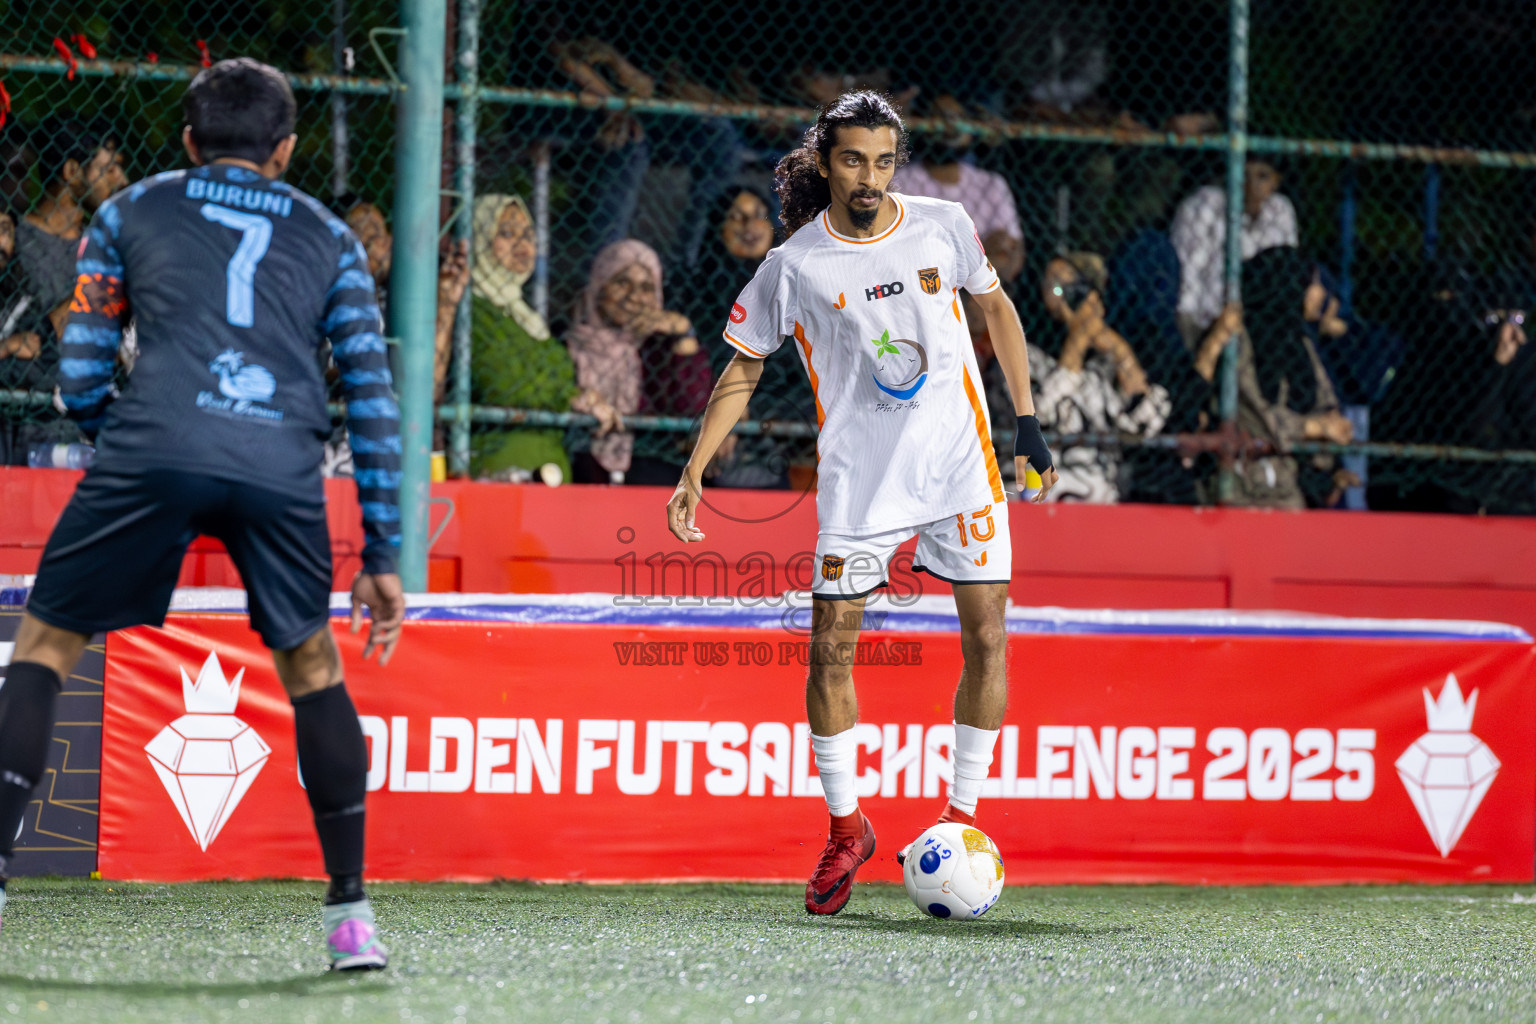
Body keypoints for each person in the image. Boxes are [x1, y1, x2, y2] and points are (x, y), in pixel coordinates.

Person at [0, 59, 402, 971]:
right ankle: (350, 920)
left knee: (48, 646)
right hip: (279, 460)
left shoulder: (127, 209)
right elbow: (372, 400)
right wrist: (383, 548)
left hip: (153, 444)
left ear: (187, 140)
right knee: (310, 663)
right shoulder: (332, 238)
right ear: (288, 150)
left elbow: (79, 375)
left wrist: (134, 436)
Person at [664, 92, 1058, 916]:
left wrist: (1028, 423)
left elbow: (997, 310)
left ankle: (960, 820)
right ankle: (848, 828)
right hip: (860, 482)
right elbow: (742, 366)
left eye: (883, 161)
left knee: (988, 636)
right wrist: (695, 467)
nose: (870, 177)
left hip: (960, 468)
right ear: (826, 162)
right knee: (829, 651)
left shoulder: (944, 225)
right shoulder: (795, 264)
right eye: (853, 161)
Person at [467, 192, 620, 480]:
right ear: (479, 237)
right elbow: (502, 384)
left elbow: (549, 382)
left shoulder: (527, 317)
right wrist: (568, 397)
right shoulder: (471, 311)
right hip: (497, 471)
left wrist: (578, 396)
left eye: (528, 235)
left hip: (553, 471)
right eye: (507, 233)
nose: (522, 246)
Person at [1202, 246, 1353, 508]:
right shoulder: (1242, 341)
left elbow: (1328, 407)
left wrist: (1332, 459)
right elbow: (1258, 419)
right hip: (1249, 486)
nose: (1321, 294)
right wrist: (1313, 428)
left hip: (1295, 483)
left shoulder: (1301, 344)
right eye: (1313, 284)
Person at [1032, 253, 1172, 503]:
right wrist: (1078, 337)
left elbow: (1144, 420)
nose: (1064, 295)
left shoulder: (1102, 365)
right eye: (1055, 286)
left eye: (1074, 288)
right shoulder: (1026, 353)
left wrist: (1115, 347)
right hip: (1047, 494)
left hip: (1102, 498)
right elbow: (1042, 414)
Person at [568, 239, 708, 486]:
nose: (634, 296)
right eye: (622, 282)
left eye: (646, 288)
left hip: (653, 477)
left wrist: (684, 334)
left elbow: (694, 409)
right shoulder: (568, 343)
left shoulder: (659, 350)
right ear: (600, 285)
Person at [890, 94, 1025, 283]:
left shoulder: (991, 183)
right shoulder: (900, 181)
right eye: (941, 117)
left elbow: (1011, 256)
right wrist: (982, 253)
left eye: (957, 118)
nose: (950, 127)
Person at [16, 118, 129, 344]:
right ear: (72, 171)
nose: (123, 181)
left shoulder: (103, 246)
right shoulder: (15, 241)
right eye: (108, 170)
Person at [1170, 159, 1297, 343]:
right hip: (1203, 322)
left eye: (1262, 177)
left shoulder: (1280, 209)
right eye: (1244, 175)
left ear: (1276, 181)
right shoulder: (1204, 205)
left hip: (1259, 322)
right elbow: (1187, 291)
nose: (1251, 185)